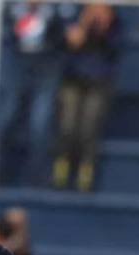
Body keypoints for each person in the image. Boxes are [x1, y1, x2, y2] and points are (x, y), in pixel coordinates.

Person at [0, 1, 74, 187]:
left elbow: (73, 34)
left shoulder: (60, 6)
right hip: (16, 62)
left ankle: (38, 176)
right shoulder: (9, 5)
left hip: (48, 64)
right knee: (6, 116)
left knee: (40, 122)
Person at [52, 3, 121, 193]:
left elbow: (114, 48)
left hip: (99, 81)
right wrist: (84, 22)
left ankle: (86, 169)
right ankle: (62, 164)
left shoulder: (115, 21)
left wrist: (103, 26)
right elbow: (69, 42)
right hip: (73, 79)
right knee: (68, 125)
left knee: (89, 127)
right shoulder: (73, 14)